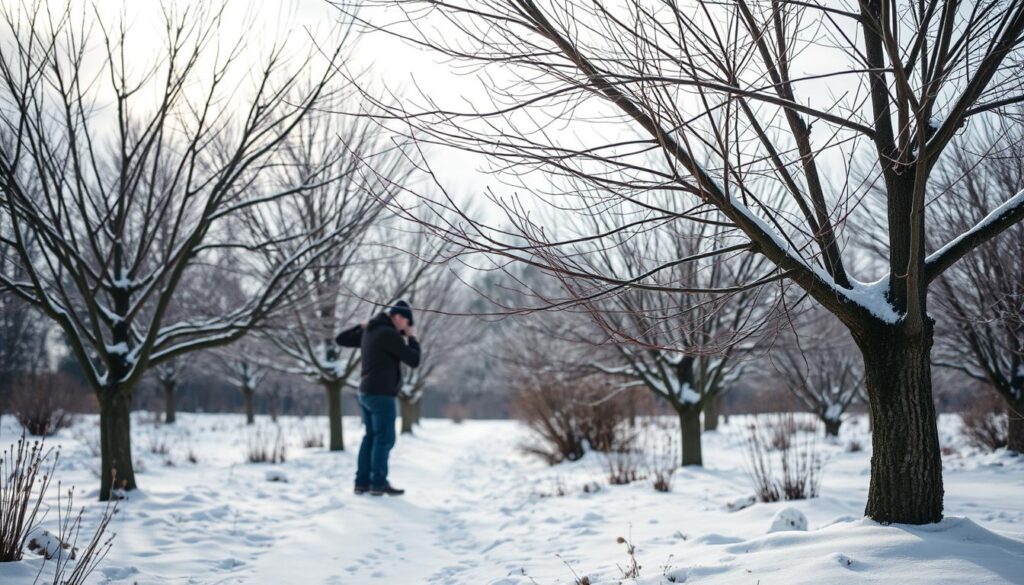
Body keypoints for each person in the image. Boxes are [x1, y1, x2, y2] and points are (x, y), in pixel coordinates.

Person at [336, 300, 421, 496]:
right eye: (407, 322)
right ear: (398, 317)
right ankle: (378, 483)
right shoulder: (388, 334)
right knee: (384, 439)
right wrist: (412, 338)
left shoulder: (372, 331)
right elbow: (414, 360)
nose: (406, 327)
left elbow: (341, 339)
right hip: (381, 395)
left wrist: (360, 326)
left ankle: (362, 483)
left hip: (365, 392)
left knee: (371, 437)